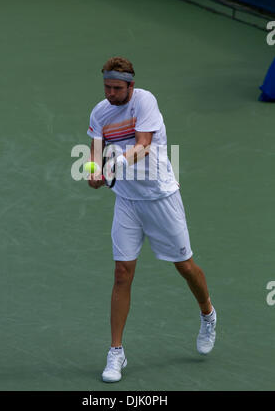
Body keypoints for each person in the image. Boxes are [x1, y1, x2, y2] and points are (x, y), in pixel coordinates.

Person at [87, 57, 217, 383]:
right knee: (121, 273)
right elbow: (94, 153)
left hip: (161, 197)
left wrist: (117, 160)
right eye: (107, 87)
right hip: (128, 201)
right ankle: (116, 351)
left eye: (117, 88)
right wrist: (95, 172)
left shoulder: (145, 101)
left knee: (185, 266)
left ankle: (207, 313)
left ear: (130, 85)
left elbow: (143, 146)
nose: (111, 93)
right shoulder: (99, 112)